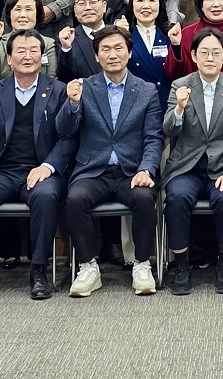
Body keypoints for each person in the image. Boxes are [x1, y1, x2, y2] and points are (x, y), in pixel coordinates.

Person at [0, 29, 75, 302]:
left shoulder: (58, 90)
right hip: (2, 171)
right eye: (20, 51)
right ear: (9, 58)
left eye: (34, 51)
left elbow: (69, 138)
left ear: (43, 57)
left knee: (45, 197)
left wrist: (48, 167)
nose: (27, 56)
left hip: (41, 170)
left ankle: (38, 271)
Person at [58, 26, 163, 297]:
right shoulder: (85, 87)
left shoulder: (146, 91)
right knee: (76, 199)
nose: (112, 54)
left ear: (129, 53)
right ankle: (87, 267)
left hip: (132, 171)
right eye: (105, 49)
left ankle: (142, 264)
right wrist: (72, 104)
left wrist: (146, 169)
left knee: (144, 198)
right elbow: (64, 129)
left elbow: (153, 138)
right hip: (94, 170)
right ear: (96, 56)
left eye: (118, 48)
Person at [163, 27, 223, 295]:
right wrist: (179, 108)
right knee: (177, 198)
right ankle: (181, 265)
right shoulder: (180, 85)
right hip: (187, 167)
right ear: (194, 55)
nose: (210, 58)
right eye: (204, 52)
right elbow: (168, 130)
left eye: (216, 53)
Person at [0, 0, 56, 83]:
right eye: (18, 9)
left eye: (28, 9)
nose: (23, 15)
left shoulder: (48, 43)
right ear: (9, 14)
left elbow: (51, 78)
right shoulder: (0, 42)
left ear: (37, 15)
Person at [123, 0, 175, 109]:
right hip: (135, 106)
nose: (146, 5)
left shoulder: (171, 36)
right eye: (140, 0)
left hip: (166, 104)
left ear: (160, 4)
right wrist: (119, 37)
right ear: (132, 5)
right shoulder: (124, 36)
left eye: (151, 0)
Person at [55, 0, 114, 82]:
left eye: (93, 2)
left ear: (104, 6)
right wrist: (66, 48)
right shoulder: (66, 39)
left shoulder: (118, 34)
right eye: (81, 3)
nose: (87, 8)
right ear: (75, 10)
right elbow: (64, 78)